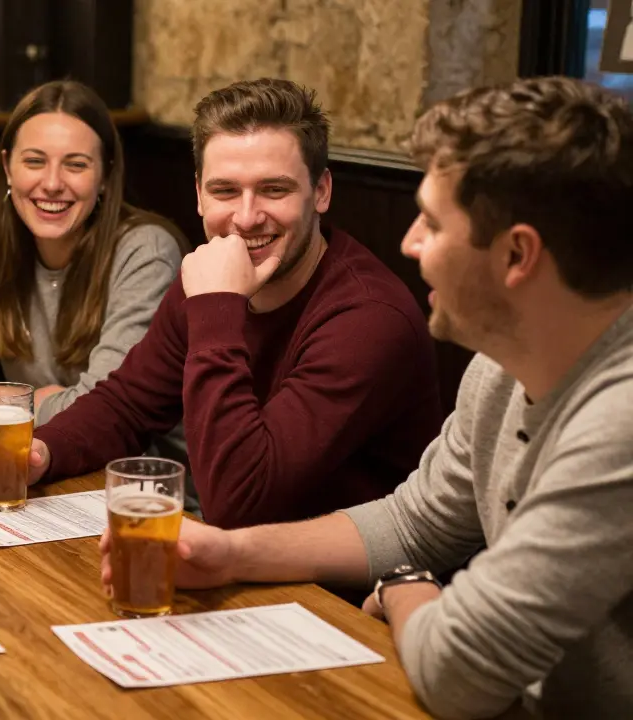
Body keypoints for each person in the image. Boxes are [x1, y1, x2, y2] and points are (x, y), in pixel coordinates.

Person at [100, 76, 633, 718]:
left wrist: (406, 584)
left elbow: (456, 668)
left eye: (432, 223)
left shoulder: (619, 420)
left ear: (517, 255)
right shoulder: (499, 371)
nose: (409, 243)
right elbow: (413, 522)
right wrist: (230, 555)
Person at [0, 78, 444, 530]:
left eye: (274, 189)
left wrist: (218, 307)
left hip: (344, 599)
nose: (246, 216)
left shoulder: (368, 319)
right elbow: (129, 404)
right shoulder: (213, 273)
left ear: (320, 192)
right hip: (249, 568)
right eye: (225, 190)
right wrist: (43, 452)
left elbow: (239, 502)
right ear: (198, 194)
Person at [0, 80, 191, 470]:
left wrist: (0, 407)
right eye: (35, 161)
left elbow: (104, 407)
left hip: (143, 488)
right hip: (48, 477)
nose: (53, 183)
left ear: (106, 176)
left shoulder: (145, 253)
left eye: (76, 164)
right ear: (8, 167)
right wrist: (17, 402)